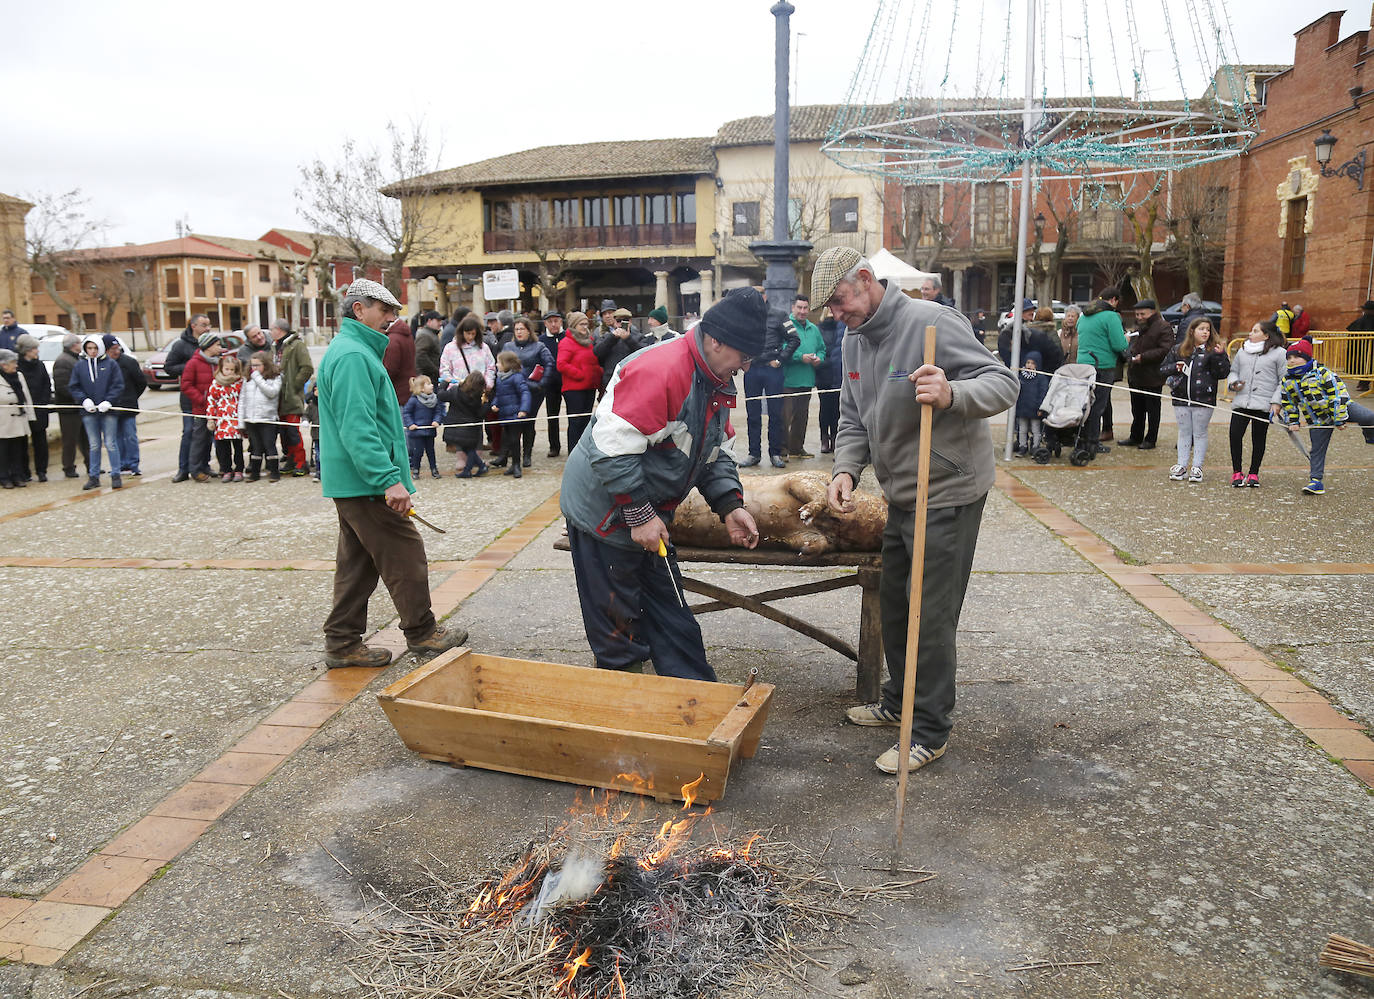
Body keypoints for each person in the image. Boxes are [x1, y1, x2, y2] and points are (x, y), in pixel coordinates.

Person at [812, 247, 1018, 775]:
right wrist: (845, 472)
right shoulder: (854, 340)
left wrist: (952, 392)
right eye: (830, 309)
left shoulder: (932, 322)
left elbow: (1003, 383)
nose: (837, 315)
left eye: (838, 302)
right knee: (898, 606)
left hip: (947, 490)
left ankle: (927, 730)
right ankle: (897, 701)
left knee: (930, 615)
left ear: (864, 279)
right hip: (901, 492)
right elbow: (853, 417)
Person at [560, 289, 764, 682]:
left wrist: (729, 503)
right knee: (618, 628)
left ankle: (695, 701)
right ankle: (628, 710)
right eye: (744, 356)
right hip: (604, 512)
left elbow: (715, 447)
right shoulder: (663, 370)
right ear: (717, 340)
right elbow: (611, 447)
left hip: (649, 509)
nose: (746, 366)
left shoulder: (716, 378)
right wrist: (638, 514)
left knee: (673, 616)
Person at [316, 277, 465, 669]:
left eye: (394, 312)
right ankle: (422, 633)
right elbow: (358, 427)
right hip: (365, 482)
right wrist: (387, 479)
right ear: (359, 309)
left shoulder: (352, 350)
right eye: (384, 310)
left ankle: (342, 642)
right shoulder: (352, 355)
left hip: (355, 482)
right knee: (406, 554)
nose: (391, 319)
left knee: (358, 564)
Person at [1275, 338, 1374, 495]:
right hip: (1318, 419)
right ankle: (1316, 481)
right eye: (1289, 358)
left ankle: (1370, 436)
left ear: (1307, 357)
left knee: (1369, 417)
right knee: (1316, 450)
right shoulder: (1287, 380)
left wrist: (1339, 419)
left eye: (1296, 356)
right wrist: (1292, 421)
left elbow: (1337, 395)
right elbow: (1289, 403)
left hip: (1343, 408)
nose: (1292, 360)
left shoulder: (1323, 373)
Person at [1161, 316, 1229, 483]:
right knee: (1184, 432)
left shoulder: (1213, 351)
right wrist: (1174, 367)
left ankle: (1197, 466)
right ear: (1192, 331)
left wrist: (1220, 356)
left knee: (1199, 432)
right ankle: (1181, 465)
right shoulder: (1178, 349)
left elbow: (1222, 373)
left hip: (1203, 399)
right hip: (1181, 398)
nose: (1205, 332)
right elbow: (1163, 369)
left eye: (1207, 329)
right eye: (1201, 329)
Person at [739, 293, 800, 468]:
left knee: (775, 414)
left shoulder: (779, 315)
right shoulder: (746, 317)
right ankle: (754, 453)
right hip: (752, 369)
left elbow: (794, 339)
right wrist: (742, 360)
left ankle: (775, 453)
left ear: (765, 296)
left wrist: (781, 359)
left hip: (772, 369)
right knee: (753, 414)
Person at [1227, 320, 1287, 488]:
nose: (1250, 334)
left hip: (1263, 404)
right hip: (1241, 402)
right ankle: (1237, 472)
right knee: (1235, 435)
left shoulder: (1280, 353)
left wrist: (1276, 402)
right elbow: (1233, 371)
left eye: (1255, 331)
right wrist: (1234, 383)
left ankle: (1254, 472)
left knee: (1259, 439)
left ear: (1266, 335)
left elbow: (1284, 380)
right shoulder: (1242, 351)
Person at [68, 334, 125, 491]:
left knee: (111, 443)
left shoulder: (111, 364)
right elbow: (74, 386)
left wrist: (109, 401)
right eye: (89, 348)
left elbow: (118, 385)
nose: (92, 351)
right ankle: (94, 476)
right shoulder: (80, 366)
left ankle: (115, 474)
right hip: (89, 412)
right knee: (94, 445)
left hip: (108, 411)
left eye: (95, 348)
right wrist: (84, 400)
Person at [1076, 287, 1128, 453]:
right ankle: (1092, 441)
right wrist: (1126, 339)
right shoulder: (1111, 316)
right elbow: (1119, 345)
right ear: (1113, 300)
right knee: (1098, 405)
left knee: (1084, 404)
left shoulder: (1084, 315)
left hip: (1082, 364)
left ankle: (1081, 439)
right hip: (1102, 365)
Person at [1121, 299, 1172, 450]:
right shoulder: (1140, 327)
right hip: (1136, 375)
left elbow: (1165, 350)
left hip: (1152, 376)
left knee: (1153, 410)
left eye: (1143, 314)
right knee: (1137, 409)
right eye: (1137, 314)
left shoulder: (1163, 327)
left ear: (1152, 312)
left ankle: (1151, 439)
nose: (1139, 317)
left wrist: (1143, 357)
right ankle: (1135, 436)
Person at [167, 314, 210, 482]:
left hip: (208, 399)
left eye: (208, 325)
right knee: (188, 433)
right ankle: (183, 469)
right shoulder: (180, 345)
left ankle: (204, 465)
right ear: (193, 326)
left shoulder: (209, 343)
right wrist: (192, 366)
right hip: (189, 399)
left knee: (206, 435)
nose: (207, 328)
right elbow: (169, 367)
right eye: (203, 325)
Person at [781, 294, 825, 459]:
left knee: (802, 417)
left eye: (805, 308)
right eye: (799, 307)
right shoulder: (786, 326)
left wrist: (820, 358)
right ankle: (782, 449)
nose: (802, 311)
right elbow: (783, 348)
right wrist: (800, 357)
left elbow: (822, 348)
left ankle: (796, 448)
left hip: (807, 380)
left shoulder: (814, 329)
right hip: (789, 379)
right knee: (785, 417)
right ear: (793, 308)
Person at [507, 317, 554, 467]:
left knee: (528, 422)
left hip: (532, 389)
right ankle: (512, 454)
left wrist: (542, 383)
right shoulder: (508, 346)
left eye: (522, 329)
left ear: (529, 330)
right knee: (513, 423)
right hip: (513, 389)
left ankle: (527, 454)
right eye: (516, 329)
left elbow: (549, 363)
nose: (519, 332)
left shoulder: (539, 346)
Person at [272, 318, 313, 475]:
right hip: (278, 396)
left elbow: (307, 368)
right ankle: (290, 459)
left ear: (279, 329)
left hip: (292, 396)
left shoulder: (297, 345)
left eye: (272, 329)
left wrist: (294, 385)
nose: (270, 332)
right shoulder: (275, 346)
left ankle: (301, 462)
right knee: (283, 432)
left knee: (292, 431)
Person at [557, 311, 601, 453]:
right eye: (582, 324)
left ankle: (584, 451)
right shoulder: (566, 342)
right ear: (574, 325)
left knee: (585, 422)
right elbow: (561, 364)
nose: (585, 327)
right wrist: (579, 374)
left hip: (589, 387)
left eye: (586, 324)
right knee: (575, 422)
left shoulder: (589, 341)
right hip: (574, 389)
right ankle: (573, 452)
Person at [181, 331, 221, 482]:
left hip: (216, 409)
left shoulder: (217, 362)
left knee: (209, 440)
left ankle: (205, 465)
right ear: (208, 346)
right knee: (199, 439)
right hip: (201, 409)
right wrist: (202, 399)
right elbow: (186, 385)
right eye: (217, 345)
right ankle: (195, 469)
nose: (220, 347)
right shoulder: (194, 363)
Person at [103, 335, 146, 476]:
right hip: (111, 407)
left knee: (130, 436)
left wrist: (132, 397)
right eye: (112, 349)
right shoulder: (102, 364)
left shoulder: (129, 362)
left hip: (128, 405)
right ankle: (120, 464)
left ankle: (134, 464)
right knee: (116, 437)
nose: (116, 352)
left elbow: (141, 382)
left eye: (117, 348)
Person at [50, 332, 88, 479]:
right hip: (69, 409)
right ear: (74, 345)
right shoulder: (63, 361)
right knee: (70, 440)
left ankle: (91, 465)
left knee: (86, 438)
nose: (81, 346)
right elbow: (62, 386)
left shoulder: (75, 359)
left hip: (80, 407)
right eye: (79, 343)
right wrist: (79, 398)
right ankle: (68, 467)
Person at [240, 350, 282, 482]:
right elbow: (242, 400)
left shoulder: (275, 377)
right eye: (253, 366)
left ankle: (274, 472)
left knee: (269, 445)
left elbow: (272, 392)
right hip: (251, 419)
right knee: (256, 447)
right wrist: (241, 421)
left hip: (267, 418)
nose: (254, 369)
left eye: (258, 365)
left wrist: (257, 378)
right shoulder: (247, 379)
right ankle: (255, 473)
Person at [15, 334, 51, 482]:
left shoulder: (40, 365)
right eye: (34, 348)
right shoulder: (16, 365)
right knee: (21, 443)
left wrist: (42, 403)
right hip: (23, 409)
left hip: (39, 408)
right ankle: (24, 471)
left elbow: (46, 385)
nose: (37, 351)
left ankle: (41, 470)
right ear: (26, 350)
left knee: (40, 442)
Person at [439, 370, 489, 478]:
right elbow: (480, 414)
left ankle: (470, 470)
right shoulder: (477, 398)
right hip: (470, 429)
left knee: (468, 449)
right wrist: (486, 404)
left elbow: (441, 395)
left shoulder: (455, 392)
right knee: (469, 449)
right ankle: (478, 467)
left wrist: (444, 382)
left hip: (455, 426)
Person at [490, 351, 531, 478]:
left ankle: (517, 464)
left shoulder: (517, 377)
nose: (496, 365)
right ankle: (511, 464)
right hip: (504, 414)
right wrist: (495, 404)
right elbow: (498, 394)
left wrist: (523, 409)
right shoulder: (500, 377)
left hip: (515, 414)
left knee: (514, 440)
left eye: (498, 362)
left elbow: (525, 393)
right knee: (506, 439)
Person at [207, 352, 246, 482]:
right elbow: (211, 401)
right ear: (221, 368)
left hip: (236, 418)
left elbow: (244, 399)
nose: (229, 372)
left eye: (232, 370)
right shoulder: (216, 383)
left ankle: (239, 469)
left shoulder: (240, 382)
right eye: (226, 369)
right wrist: (210, 418)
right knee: (222, 447)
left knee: (238, 446)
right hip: (222, 419)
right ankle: (226, 469)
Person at [0, 348, 35, 488]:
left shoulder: (19, 376)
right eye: (13, 363)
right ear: (4, 365)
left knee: (18, 449)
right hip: (3, 421)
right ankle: (4, 477)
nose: (16, 365)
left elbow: (26, 396)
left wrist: (30, 415)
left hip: (18, 418)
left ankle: (17, 475)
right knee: (3, 451)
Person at [998, 301, 1062, 374]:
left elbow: (1056, 355)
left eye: (1032, 310)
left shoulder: (1040, 334)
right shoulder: (1010, 332)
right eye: (1027, 310)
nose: (1031, 313)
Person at [403, 374, 445, 479]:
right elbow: (406, 413)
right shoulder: (414, 400)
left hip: (429, 431)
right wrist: (410, 424)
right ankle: (416, 470)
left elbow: (438, 412)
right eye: (429, 384)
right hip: (417, 432)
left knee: (431, 452)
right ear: (421, 388)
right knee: (418, 452)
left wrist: (436, 421)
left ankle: (434, 469)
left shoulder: (434, 399)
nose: (432, 386)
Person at [594, 308, 647, 391]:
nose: (622, 323)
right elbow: (597, 353)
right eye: (619, 320)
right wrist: (612, 338)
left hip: (632, 380)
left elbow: (645, 355)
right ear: (614, 322)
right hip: (611, 381)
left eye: (625, 320)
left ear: (630, 321)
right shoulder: (607, 337)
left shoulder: (639, 337)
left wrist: (628, 339)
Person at [816, 311, 845, 454]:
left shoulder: (841, 327)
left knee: (836, 410)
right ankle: (824, 438)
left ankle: (834, 438)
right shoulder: (819, 329)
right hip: (824, 375)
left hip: (837, 374)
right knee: (825, 409)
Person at [539, 311, 566, 456]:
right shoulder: (541, 340)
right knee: (552, 416)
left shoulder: (567, 336)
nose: (554, 324)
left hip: (568, 381)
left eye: (556, 321)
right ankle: (554, 446)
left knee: (573, 415)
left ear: (561, 321)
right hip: (550, 383)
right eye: (550, 322)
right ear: (545, 324)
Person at [1013, 350, 1049, 455]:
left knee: (1036, 430)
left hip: (1035, 410)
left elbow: (1043, 393)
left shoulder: (1041, 378)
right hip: (1022, 408)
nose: (1029, 365)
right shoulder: (1020, 376)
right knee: (1022, 429)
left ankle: (1035, 447)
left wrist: (1040, 407)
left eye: (1033, 363)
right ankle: (1022, 446)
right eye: (1028, 362)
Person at [383, 316, 416, 407]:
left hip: (398, 392)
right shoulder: (406, 335)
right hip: (408, 387)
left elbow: (390, 369)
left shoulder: (392, 340)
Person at [1346, 299, 1374, 392]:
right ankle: (1363, 383)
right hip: (1365, 349)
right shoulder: (1363, 320)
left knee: (1366, 365)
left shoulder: (1363, 320)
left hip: (1364, 349)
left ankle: (1363, 384)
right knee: (1366, 366)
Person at [414, 310, 443, 384]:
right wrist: (435, 370)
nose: (440, 323)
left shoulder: (432, 334)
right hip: (428, 378)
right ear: (429, 321)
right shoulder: (425, 335)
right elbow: (420, 356)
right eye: (438, 321)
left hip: (430, 377)